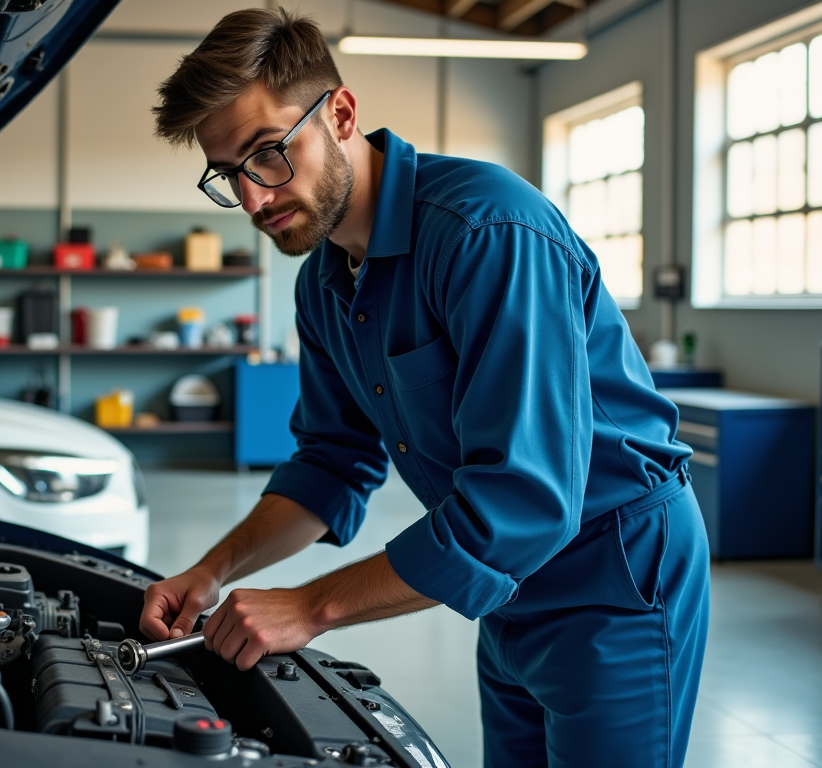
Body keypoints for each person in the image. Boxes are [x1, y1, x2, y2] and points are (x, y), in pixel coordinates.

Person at [144, 8, 710, 767]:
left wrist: (309, 607)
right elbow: (331, 465)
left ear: (341, 113)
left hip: (614, 577)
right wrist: (211, 572)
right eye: (229, 174)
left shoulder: (487, 232)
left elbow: (525, 500)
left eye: (268, 154)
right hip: (505, 593)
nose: (253, 199)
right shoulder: (322, 286)